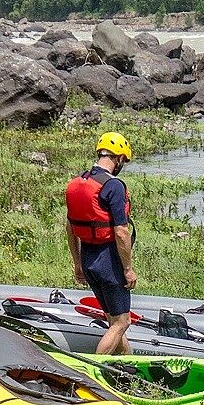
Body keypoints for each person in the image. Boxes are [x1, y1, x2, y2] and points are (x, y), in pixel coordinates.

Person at [65, 132, 136, 355]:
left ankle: (128, 366)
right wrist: (128, 269)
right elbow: (121, 232)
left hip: (88, 260)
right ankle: (93, 370)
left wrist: (77, 264)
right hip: (109, 261)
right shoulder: (113, 186)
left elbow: (70, 228)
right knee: (122, 322)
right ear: (118, 158)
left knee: (113, 319)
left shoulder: (77, 183)